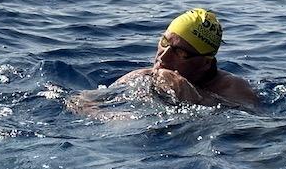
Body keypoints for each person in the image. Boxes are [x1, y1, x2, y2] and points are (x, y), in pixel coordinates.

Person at [111, 9, 259, 110]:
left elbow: (248, 129)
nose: (163, 56)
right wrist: (114, 118)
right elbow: (88, 101)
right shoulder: (140, 77)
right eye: (164, 42)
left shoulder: (233, 88)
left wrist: (194, 98)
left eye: (180, 53)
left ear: (205, 63)